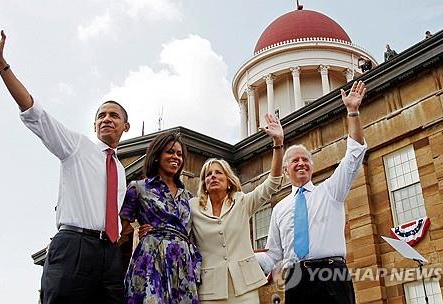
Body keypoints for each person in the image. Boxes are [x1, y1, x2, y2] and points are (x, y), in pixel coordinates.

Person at [0, 26, 131, 304]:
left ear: (125, 126)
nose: (106, 119)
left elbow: (116, 214)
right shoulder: (76, 146)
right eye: (101, 115)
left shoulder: (121, 170)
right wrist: (1, 65)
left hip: (109, 255)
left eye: (114, 116)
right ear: (94, 125)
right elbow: (35, 113)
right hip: (74, 248)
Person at [256, 81, 368, 304]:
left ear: (312, 166)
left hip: (332, 275)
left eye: (305, 159)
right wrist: (241, 257)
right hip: (296, 280)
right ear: (286, 170)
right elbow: (273, 256)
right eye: (294, 160)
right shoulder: (279, 209)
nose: (300, 164)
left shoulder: (330, 191)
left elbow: (354, 156)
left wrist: (353, 112)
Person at [190, 113, 284, 303]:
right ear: (204, 182)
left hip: (245, 287)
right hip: (210, 289)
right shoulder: (193, 207)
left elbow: (272, 184)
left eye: (218, 173)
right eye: (208, 174)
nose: (213, 177)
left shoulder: (242, 202)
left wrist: (278, 143)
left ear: (229, 182)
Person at [120, 132, 201, 303]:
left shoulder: (189, 197)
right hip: (151, 259)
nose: (176, 157)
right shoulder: (138, 188)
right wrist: (138, 231)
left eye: (179, 154)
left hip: (183, 264)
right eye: (170, 152)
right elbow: (122, 228)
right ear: (157, 156)